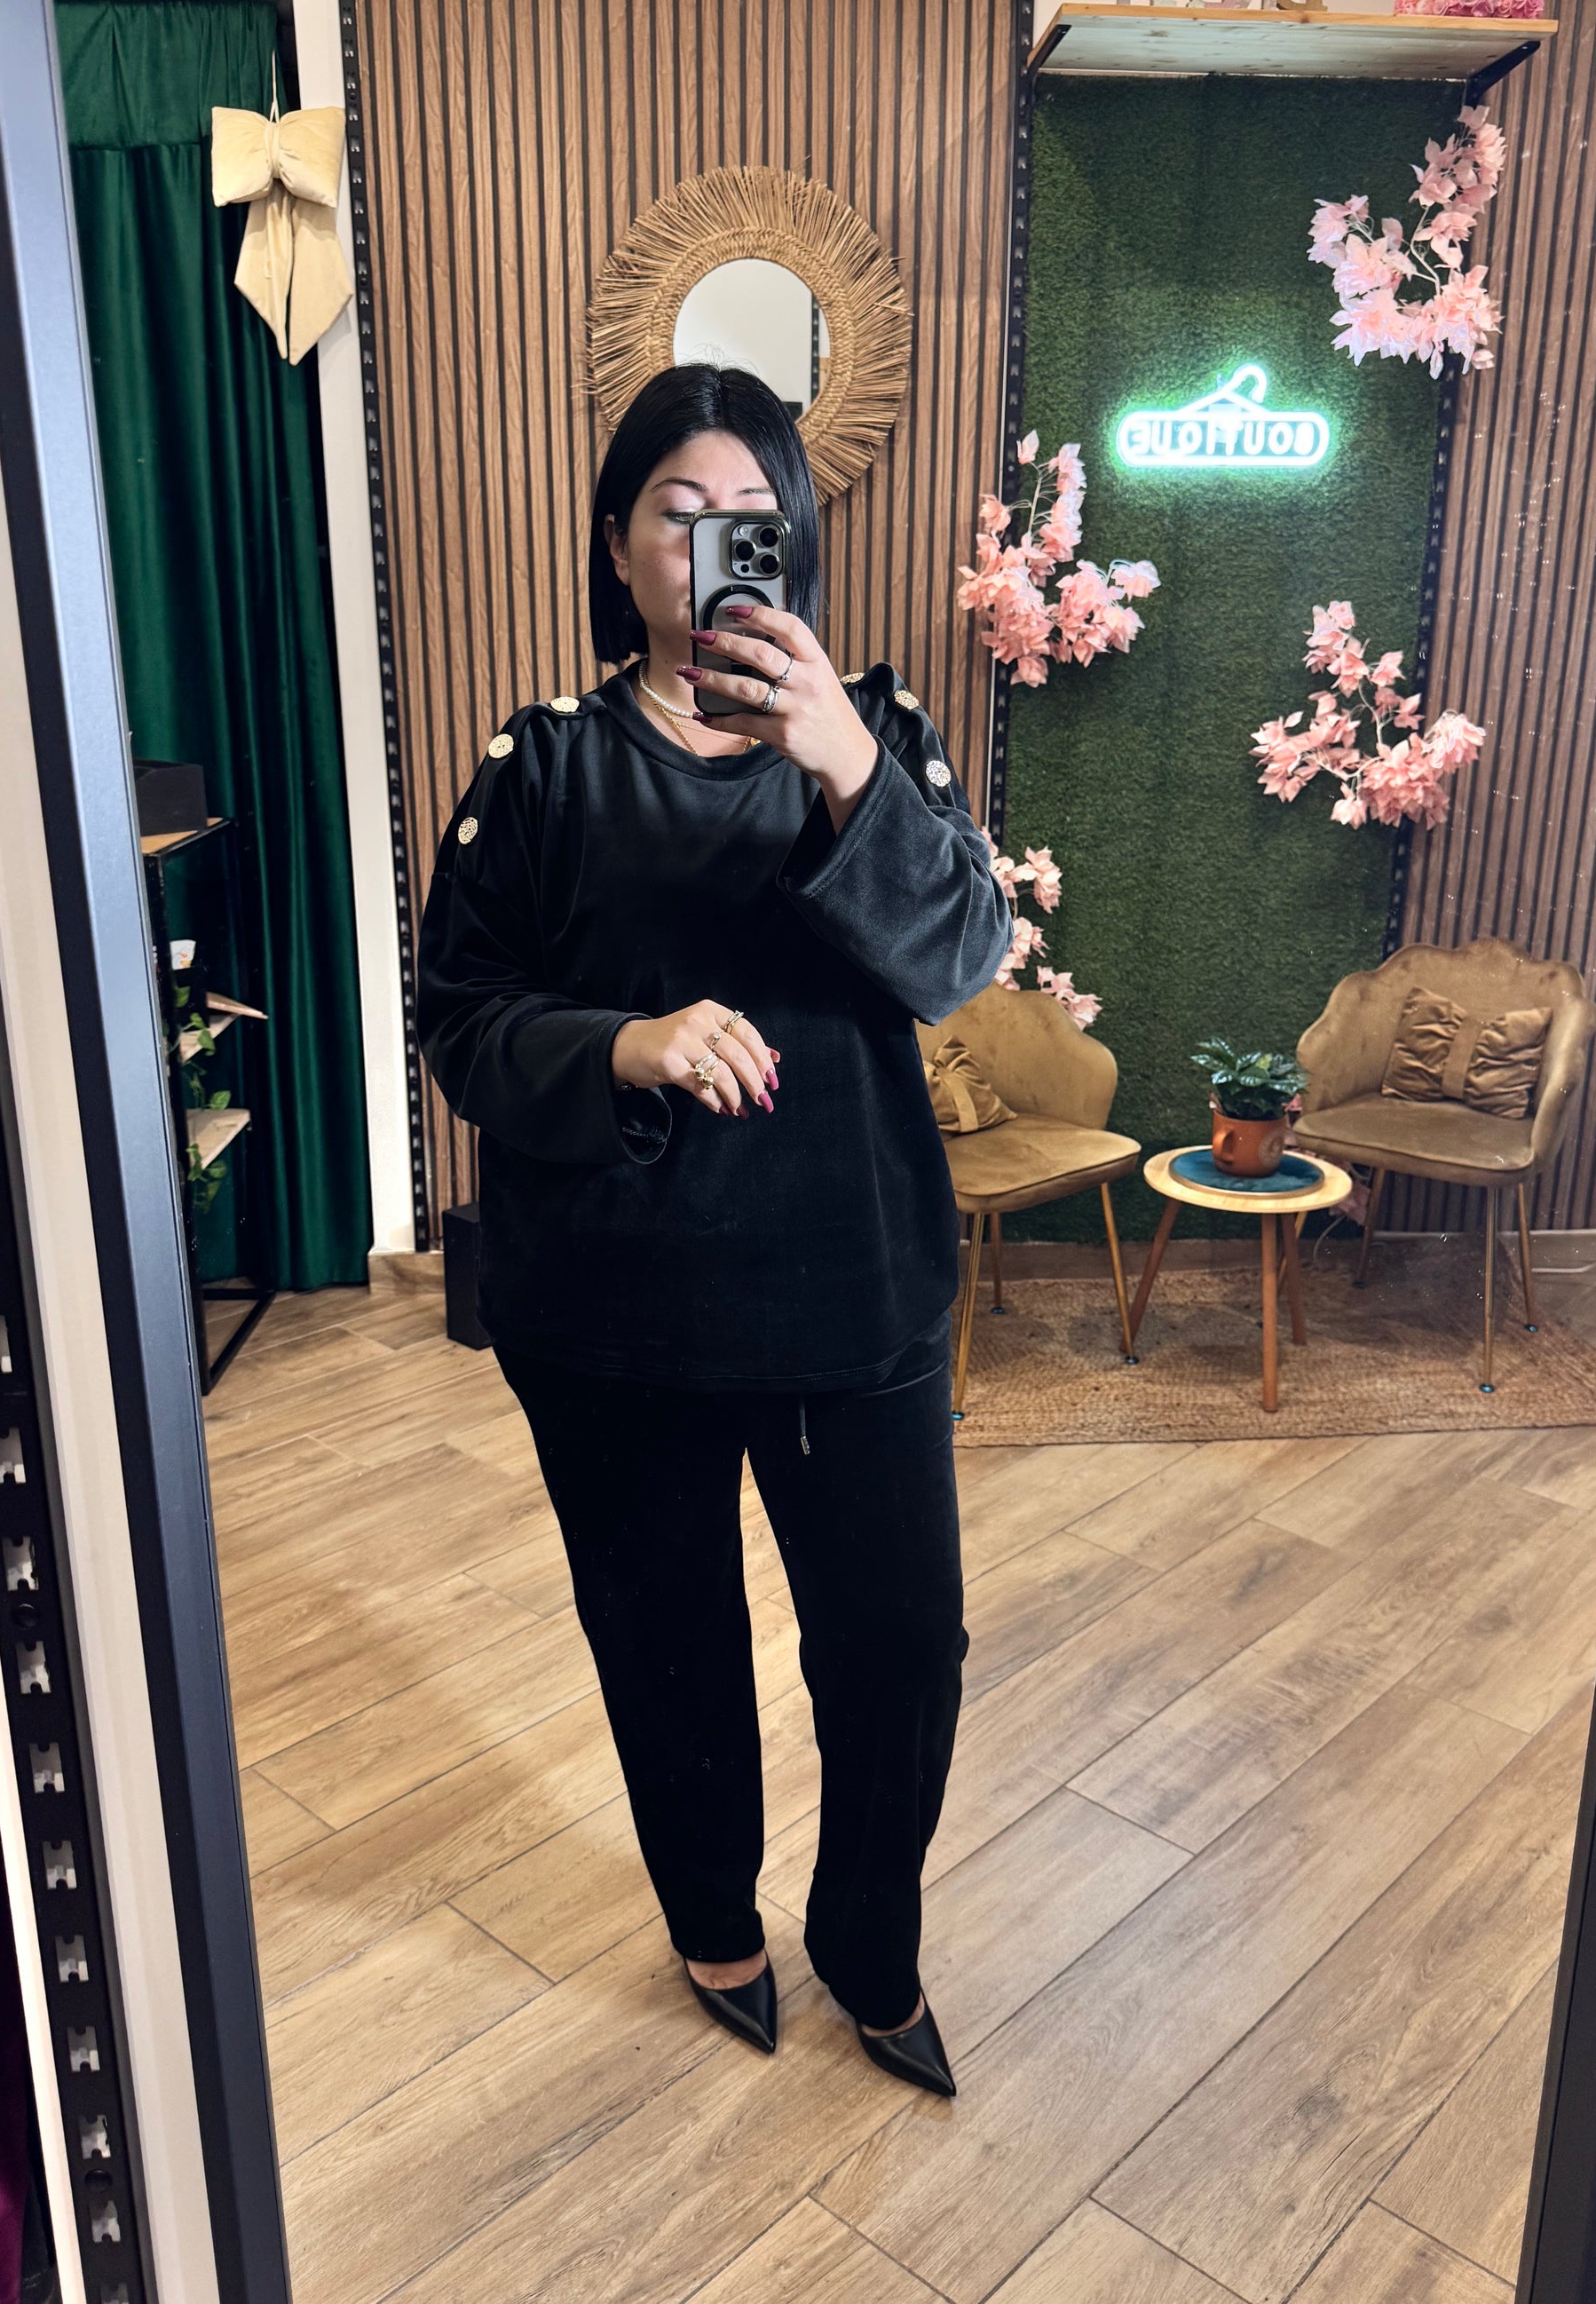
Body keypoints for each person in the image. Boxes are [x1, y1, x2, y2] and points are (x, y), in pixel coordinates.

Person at [416, 362, 1012, 2097]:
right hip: (612, 1312)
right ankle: (711, 1922)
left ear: (794, 541)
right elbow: (459, 1017)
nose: (706, 552)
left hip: (851, 1289)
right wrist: (627, 1042)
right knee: (662, 1638)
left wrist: (840, 763)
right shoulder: (542, 764)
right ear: (617, 545)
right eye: (672, 516)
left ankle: (870, 1938)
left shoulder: (876, 734)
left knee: (899, 1653)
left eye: (744, 518)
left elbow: (959, 960)